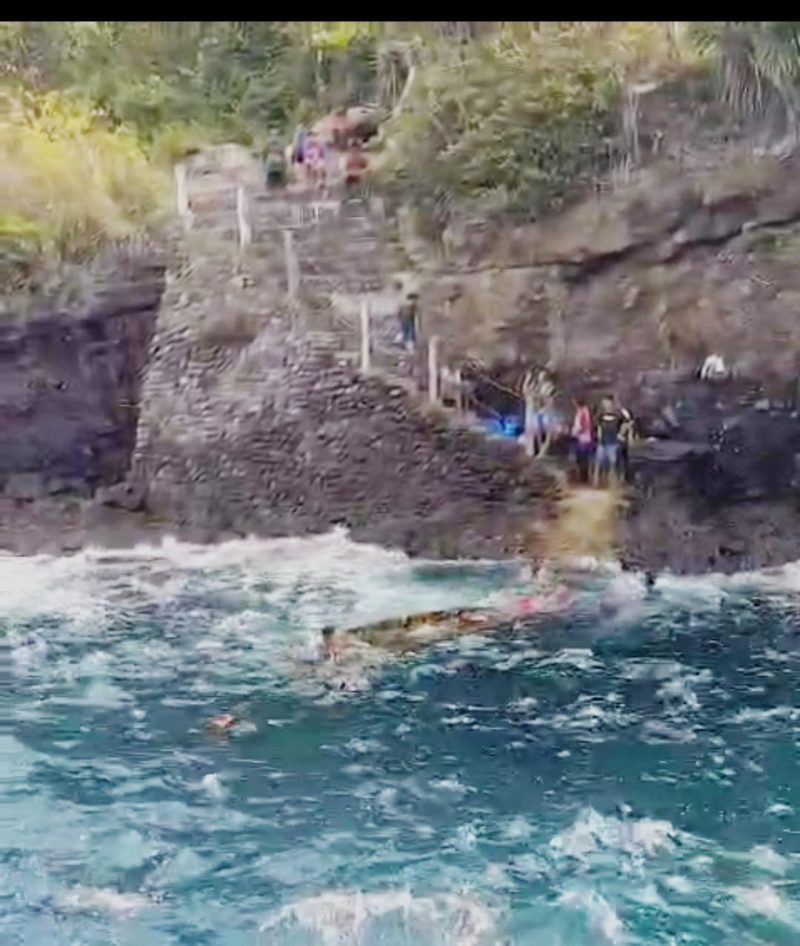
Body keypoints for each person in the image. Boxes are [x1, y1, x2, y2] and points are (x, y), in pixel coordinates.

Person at [594, 395, 622, 487]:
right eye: (604, 403)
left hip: (613, 442)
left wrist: (621, 434)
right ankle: (597, 483)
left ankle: (612, 484)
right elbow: (598, 427)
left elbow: (627, 423)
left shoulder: (617, 416)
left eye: (607, 403)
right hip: (602, 442)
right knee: (599, 463)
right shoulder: (600, 416)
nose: (605, 405)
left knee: (612, 464)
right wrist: (599, 435)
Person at [571, 396, 594, 484]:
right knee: (581, 459)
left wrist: (574, 433)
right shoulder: (581, 411)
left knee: (582, 459)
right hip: (582, 438)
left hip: (583, 439)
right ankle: (583, 477)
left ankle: (584, 478)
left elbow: (584, 425)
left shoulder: (583, 411)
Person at [617, 402, 635, 482]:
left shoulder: (629, 424)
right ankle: (623, 477)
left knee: (624, 461)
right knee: (623, 461)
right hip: (623, 443)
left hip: (624, 444)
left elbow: (630, 434)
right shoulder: (626, 423)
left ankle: (625, 477)